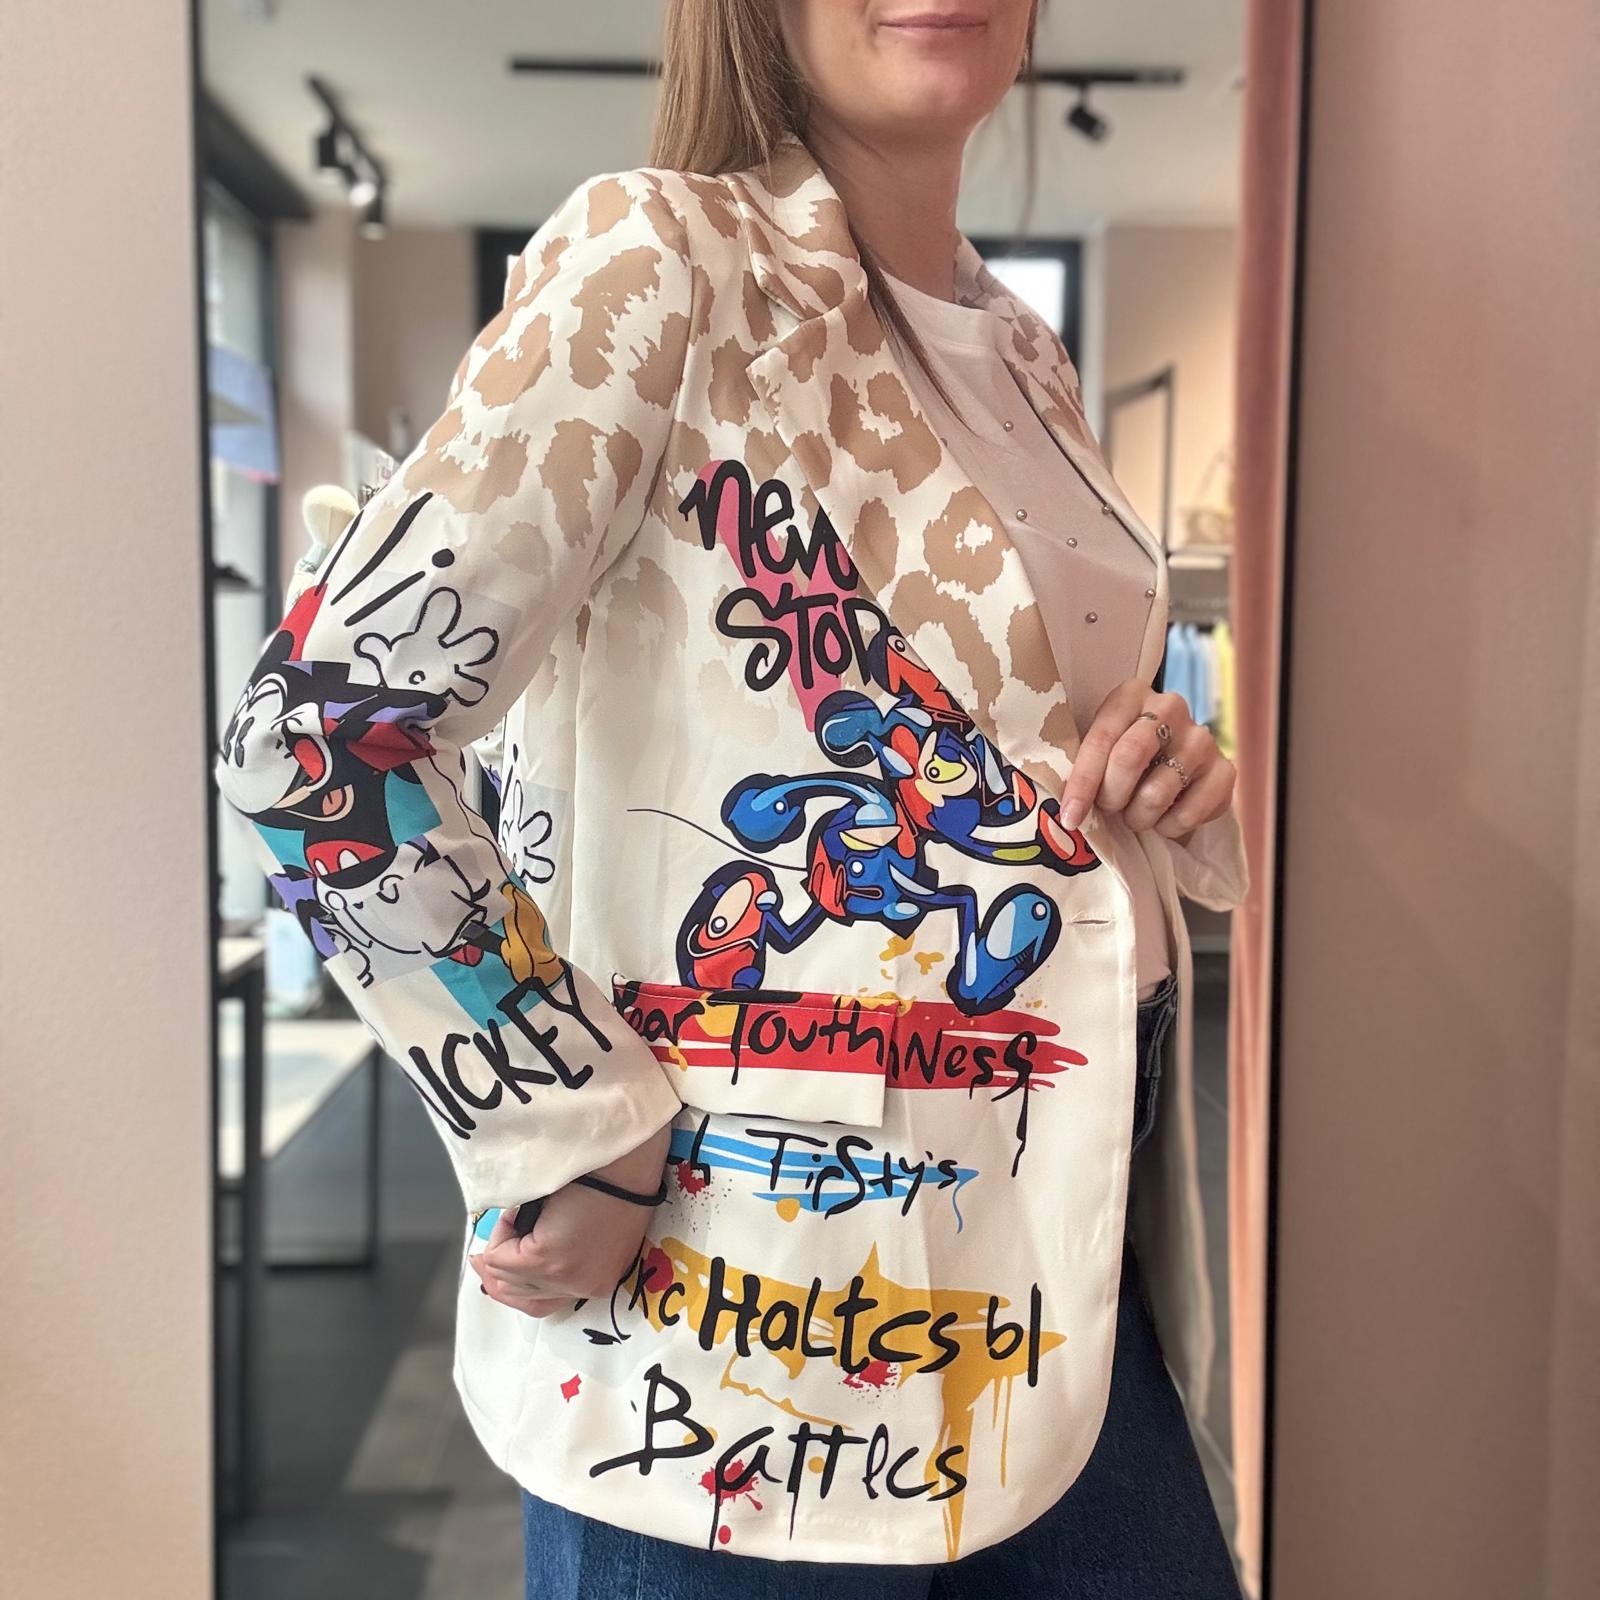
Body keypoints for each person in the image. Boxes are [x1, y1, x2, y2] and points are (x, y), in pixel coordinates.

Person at [214, 0, 1250, 1593]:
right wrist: (564, 1124)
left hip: (1063, 1294)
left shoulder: (1023, 354)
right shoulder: (663, 263)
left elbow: (1021, 739)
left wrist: (1170, 775)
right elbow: (316, 732)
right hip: (744, 1332)